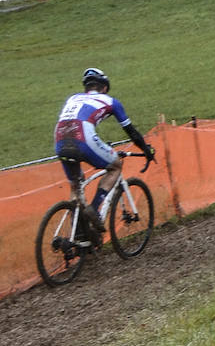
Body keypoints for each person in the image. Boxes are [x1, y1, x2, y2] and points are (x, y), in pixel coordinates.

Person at [53, 68, 155, 240]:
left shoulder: (73, 98)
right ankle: (94, 208)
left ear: (87, 87)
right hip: (82, 134)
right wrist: (145, 149)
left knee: (76, 187)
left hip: (60, 136)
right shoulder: (111, 101)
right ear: (105, 87)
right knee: (115, 166)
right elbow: (130, 131)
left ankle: (79, 236)